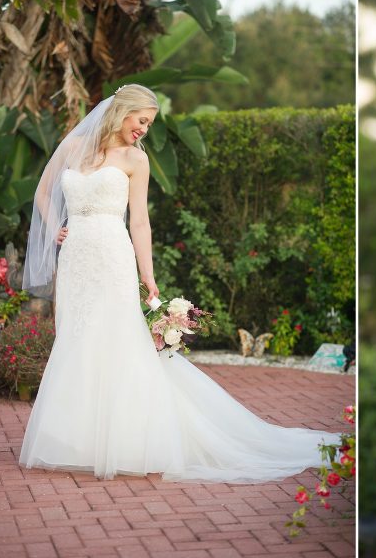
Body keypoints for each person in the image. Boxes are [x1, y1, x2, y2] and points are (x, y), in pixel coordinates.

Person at [20, 84, 340, 483]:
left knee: (117, 339)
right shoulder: (74, 147)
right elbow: (43, 192)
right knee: (76, 337)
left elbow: (139, 221)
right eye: (142, 120)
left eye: (149, 124)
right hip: (75, 260)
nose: (144, 130)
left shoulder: (137, 160)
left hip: (112, 257)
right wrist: (56, 228)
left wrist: (147, 275)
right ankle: (78, 440)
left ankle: (131, 439)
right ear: (122, 111)